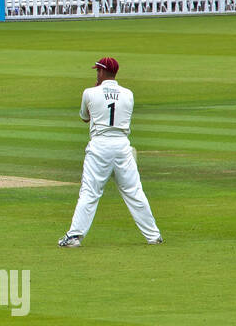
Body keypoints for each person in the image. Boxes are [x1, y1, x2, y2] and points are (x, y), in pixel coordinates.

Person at [59, 58, 163, 247]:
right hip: (122, 146)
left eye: (97, 71)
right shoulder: (128, 94)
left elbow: (84, 117)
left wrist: (95, 92)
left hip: (100, 146)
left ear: (101, 72)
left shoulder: (89, 93)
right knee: (134, 192)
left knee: (90, 192)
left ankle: (74, 236)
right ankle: (154, 236)